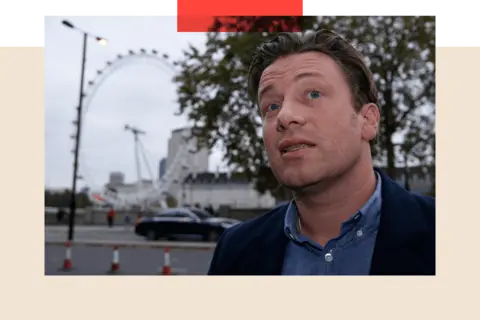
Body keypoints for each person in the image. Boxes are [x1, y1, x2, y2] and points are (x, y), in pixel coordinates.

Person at [208, 30, 435, 276]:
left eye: (313, 94)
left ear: (368, 120)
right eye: (272, 106)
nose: (284, 116)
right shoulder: (235, 251)